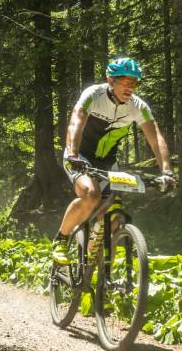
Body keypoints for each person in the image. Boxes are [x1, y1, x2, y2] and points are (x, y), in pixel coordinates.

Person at [53, 57, 175, 264]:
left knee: (114, 217)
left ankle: (94, 257)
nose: (131, 87)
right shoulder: (94, 94)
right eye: (126, 81)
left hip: (107, 162)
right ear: (111, 80)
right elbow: (76, 122)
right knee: (91, 194)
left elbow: (155, 138)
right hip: (79, 156)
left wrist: (167, 171)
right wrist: (73, 154)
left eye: (134, 82)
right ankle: (61, 240)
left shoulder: (138, 106)